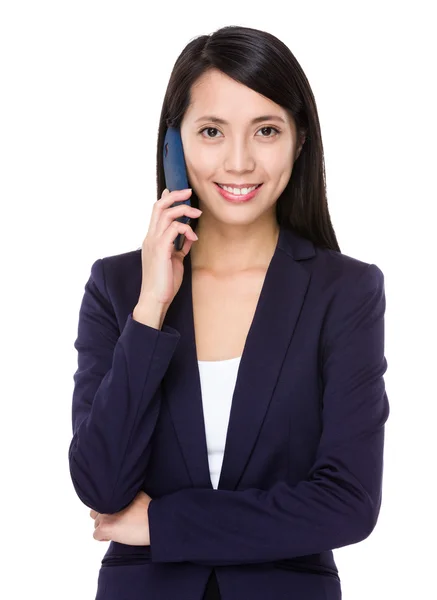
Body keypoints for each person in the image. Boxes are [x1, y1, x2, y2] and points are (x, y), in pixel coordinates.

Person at [69, 25, 390, 600]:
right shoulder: (119, 287)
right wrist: (151, 307)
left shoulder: (345, 292)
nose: (239, 162)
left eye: (265, 130)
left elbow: (348, 503)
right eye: (212, 131)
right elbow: (101, 484)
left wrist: (165, 526)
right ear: (174, 144)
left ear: (299, 141)